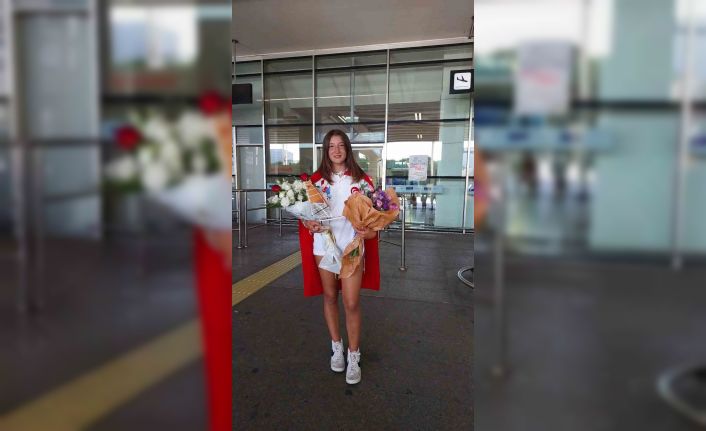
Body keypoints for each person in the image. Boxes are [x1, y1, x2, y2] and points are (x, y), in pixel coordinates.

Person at [298, 129, 380, 385]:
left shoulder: (363, 181)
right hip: (324, 246)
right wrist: (309, 223)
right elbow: (306, 216)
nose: (336, 150)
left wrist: (368, 232)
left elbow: (375, 223)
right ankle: (337, 346)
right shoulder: (315, 181)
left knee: (351, 302)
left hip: (352, 247)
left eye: (341, 145)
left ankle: (354, 354)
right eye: (331, 146)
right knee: (330, 296)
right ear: (326, 150)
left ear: (347, 149)